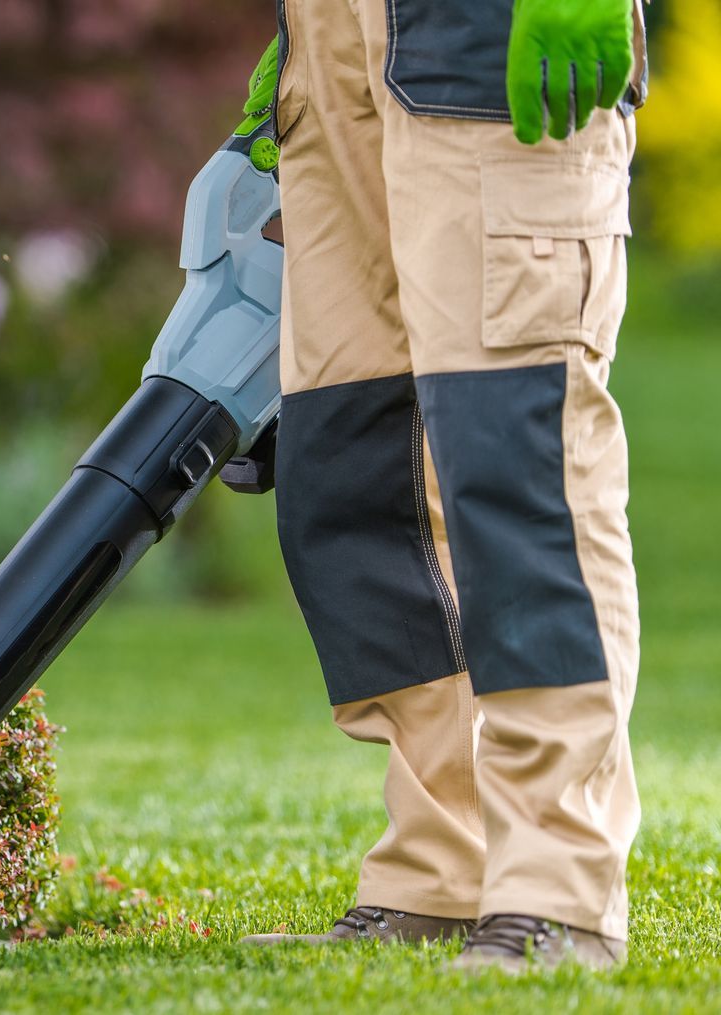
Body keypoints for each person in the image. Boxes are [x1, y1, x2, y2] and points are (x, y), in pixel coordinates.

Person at [234, 0, 647, 972]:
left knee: (521, 463)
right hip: (336, 44)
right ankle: (440, 870)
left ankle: (559, 884)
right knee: (355, 465)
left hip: (489, 33)